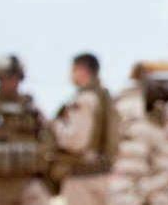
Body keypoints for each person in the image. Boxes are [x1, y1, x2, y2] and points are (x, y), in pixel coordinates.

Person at [0, 55, 54, 205]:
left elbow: (47, 134)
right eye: (7, 78)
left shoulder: (30, 107)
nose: (12, 82)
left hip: (27, 178)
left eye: (15, 78)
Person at [50, 52, 120, 205]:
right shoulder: (104, 97)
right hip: (103, 175)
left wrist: (55, 126)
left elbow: (75, 141)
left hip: (83, 177)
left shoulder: (85, 99)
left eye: (73, 70)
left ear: (82, 70)